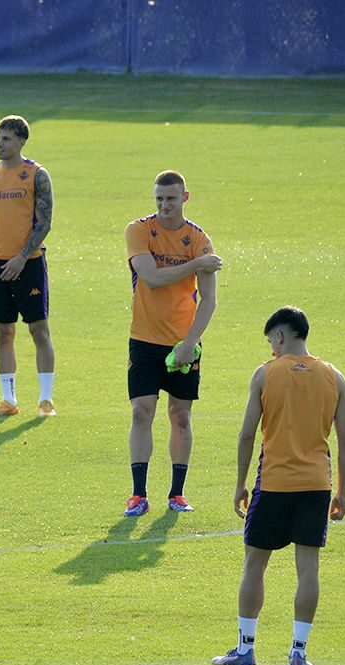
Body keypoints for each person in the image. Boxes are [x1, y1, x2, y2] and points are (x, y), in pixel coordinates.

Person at [214, 307, 345, 665]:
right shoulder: (335, 378)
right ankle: (298, 652)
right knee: (309, 569)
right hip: (317, 485)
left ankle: (246, 650)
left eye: (272, 342)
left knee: (255, 563)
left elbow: (246, 434)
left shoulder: (265, 374)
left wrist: (241, 483)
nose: (272, 349)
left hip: (274, 483)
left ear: (280, 337)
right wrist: (343, 492)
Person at [123, 171, 221, 516]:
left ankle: (177, 494)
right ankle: (138, 494)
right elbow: (150, 278)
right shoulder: (138, 230)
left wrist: (189, 343)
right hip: (144, 340)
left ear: (185, 197)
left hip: (183, 343)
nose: (164, 205)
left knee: (180, 416)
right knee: (141, 411)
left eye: (171, 199)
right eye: (159, 199)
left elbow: (209, 301)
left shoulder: (198, 238)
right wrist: (197, 264)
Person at [0, 115, 57, 418]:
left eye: (6, 138)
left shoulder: (36, 175)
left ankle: (45, 400)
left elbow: (44, 222)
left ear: (21, 142)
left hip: (30, 263)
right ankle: (8, 400)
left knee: (38, 330)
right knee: (3, 333)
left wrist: (22, 256)